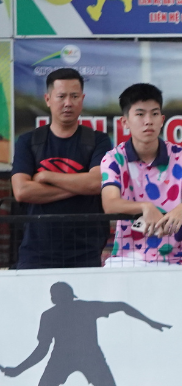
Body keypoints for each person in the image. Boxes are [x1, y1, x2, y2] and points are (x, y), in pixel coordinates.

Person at [2, 282, 171, 386]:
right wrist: (18, 370)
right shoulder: (55, 314)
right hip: (64, 360)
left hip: (90, 358)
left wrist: (150, 322)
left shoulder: (81, 309)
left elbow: (122, 306)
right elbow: (42, 349)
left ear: (55, 298)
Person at [11, 68, 114, 269]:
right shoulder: (28, 141)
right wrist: (80, 185)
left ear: (82, 99)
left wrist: (47, 176)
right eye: (61, 96)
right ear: (48, 99)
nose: (68, 103)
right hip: (36, 251)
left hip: (86, 250)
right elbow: (22, 191)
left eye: (74, 96)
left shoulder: (98, 140)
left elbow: (96, 183)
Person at [100, 83, 182, 267]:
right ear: (125, 122)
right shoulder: (113, 159)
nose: (148, 121)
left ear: (162, 119)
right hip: (127, 258)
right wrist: (145, 207)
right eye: (140, 114)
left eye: (154, 114)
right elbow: (110, 204)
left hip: (176, 258)